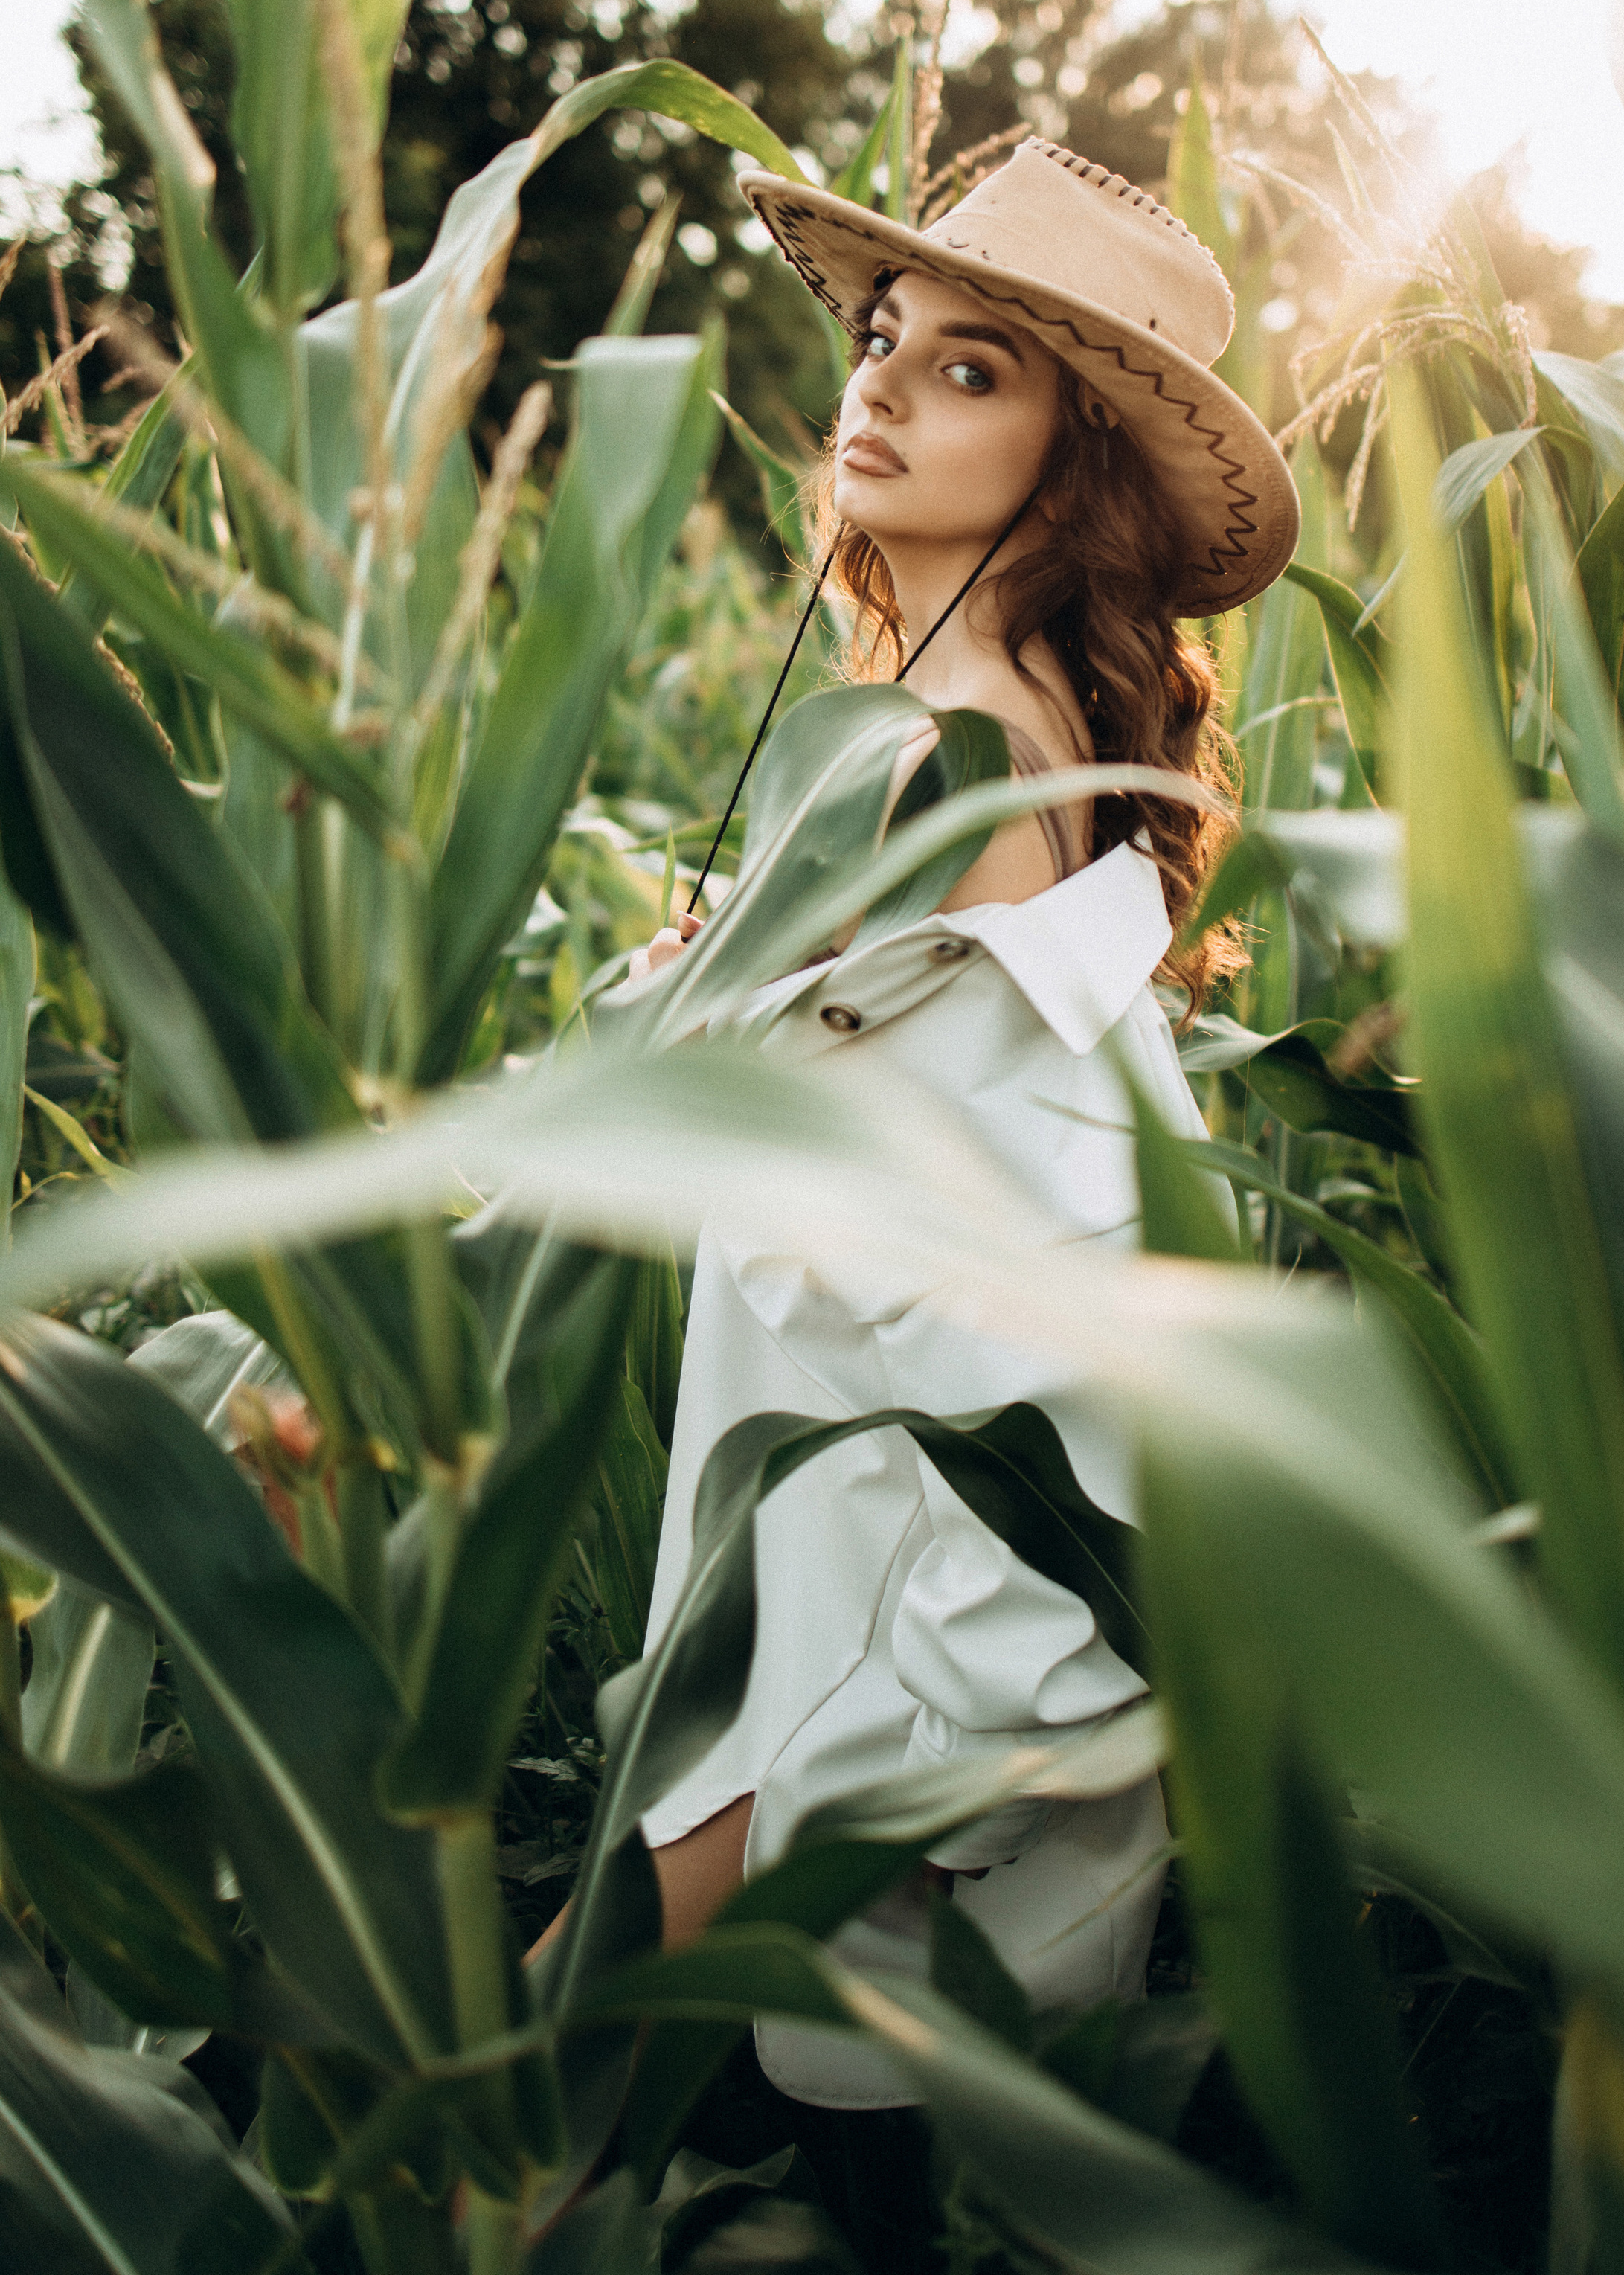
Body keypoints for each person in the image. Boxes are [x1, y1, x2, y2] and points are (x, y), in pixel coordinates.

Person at [632, 139, 1299, 2179]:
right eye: (883, 336)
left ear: (1077, 463)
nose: (885, 387)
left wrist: (684, 1034)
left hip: (882, 1519)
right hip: (892, 1487)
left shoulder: (948, 754)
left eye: (974, 367)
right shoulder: (983, 727)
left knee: (576, 2090)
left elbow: (853, 1211)